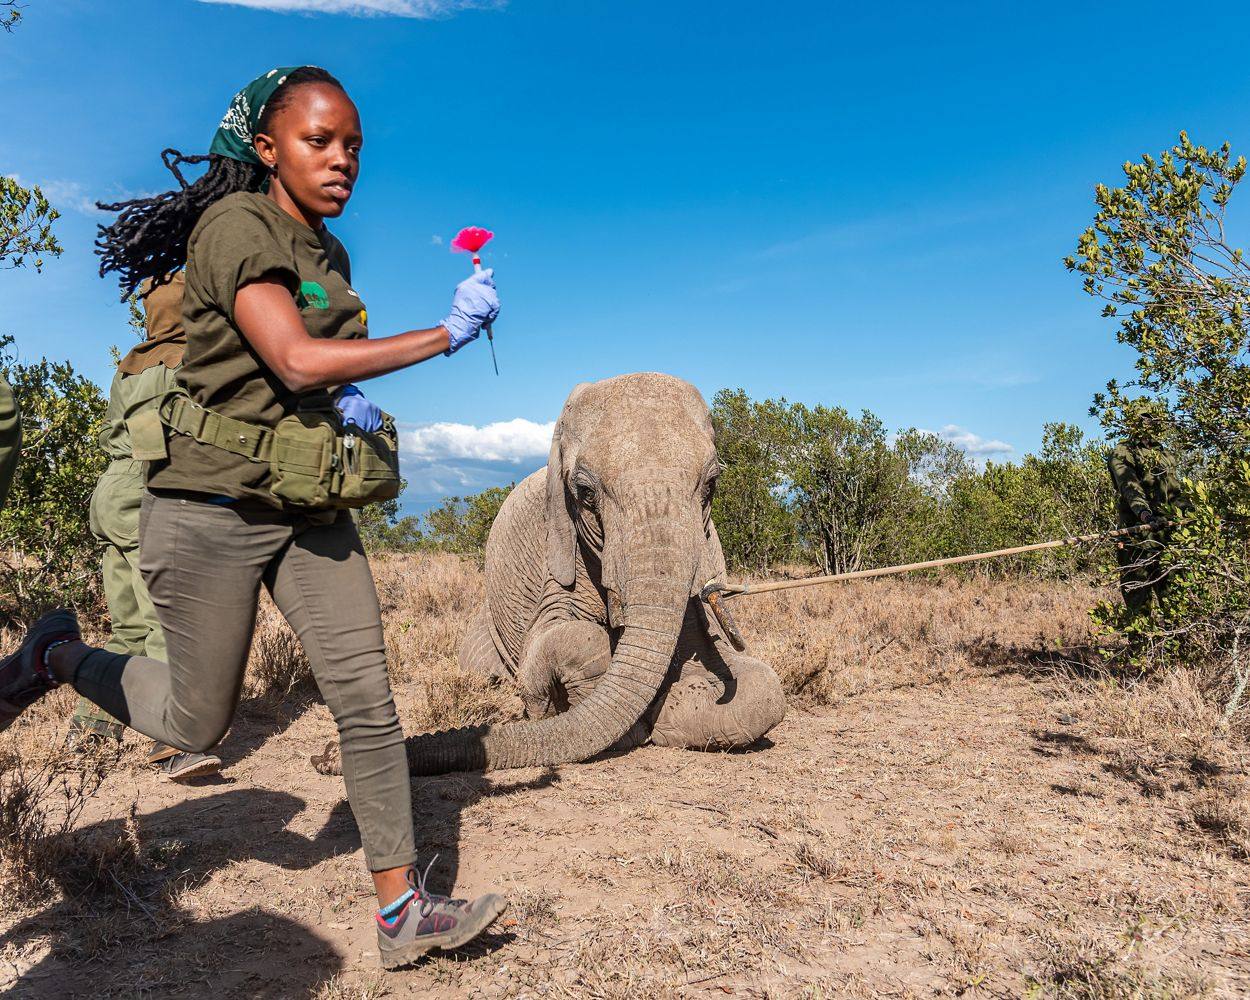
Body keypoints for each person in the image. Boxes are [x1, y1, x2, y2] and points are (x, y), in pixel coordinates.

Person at [0, 66, 505, 968]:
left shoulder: (329, 254)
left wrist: (348, 396)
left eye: (353, 144)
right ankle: (54, 655)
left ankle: (402, 913)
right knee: (198, 723)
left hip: (303, 508)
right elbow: (297, 358)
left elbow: (317, 372)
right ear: (269, 150)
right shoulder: (235, 226)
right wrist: (443, 335)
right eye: (320, 141)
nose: (343, 159)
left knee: (366, 698)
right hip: (204, 510)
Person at [66, 273, 224, 782]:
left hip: (111, 491)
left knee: (128, 622)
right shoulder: (193, 360)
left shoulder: (129, 365)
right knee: (166, 617)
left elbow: (123, 432)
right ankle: (172, 741)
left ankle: (92, 725)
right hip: (150, 490)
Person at [1106, 403, 1185, 619]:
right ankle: (1140, 650)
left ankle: (1179, 649)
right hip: (1136, 534)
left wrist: (1191, 516)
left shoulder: (1163, 452)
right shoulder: (1122, 453)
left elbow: (1175, 491)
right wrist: (1145, 515)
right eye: (1142, 420)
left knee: (1174, 594)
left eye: (1151, 420)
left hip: (1167, 533)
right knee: (1137, 596)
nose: (1147, 424)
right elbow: (1130, 488)